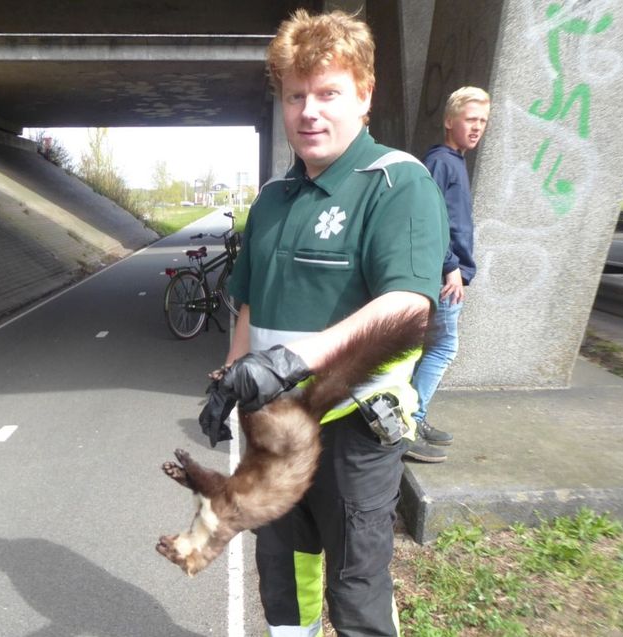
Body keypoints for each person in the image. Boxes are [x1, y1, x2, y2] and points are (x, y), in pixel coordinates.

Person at [203, 9, 448, 637]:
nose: (309, 111)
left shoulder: (397, 183)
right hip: (274, 430)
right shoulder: (274, 199)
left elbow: (408, 304)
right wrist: (230, 377)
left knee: (356, 589)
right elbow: (251, 301)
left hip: (353, 434)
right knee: (282, 580)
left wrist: (295, 359)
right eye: (295, 96)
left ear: (364, 95)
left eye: (328, 93)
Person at [404, 86, 490, 464]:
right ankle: (409, 422)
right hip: (444, 277)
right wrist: (451, 266)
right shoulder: (440, 162)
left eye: (483, 121)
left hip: (448, 273)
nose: (477, 128)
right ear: (449, 121)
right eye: (470, 120)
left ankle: (408, 419)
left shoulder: (454, 161)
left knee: (427, 351)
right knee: (442, 349)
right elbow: (428, 220)